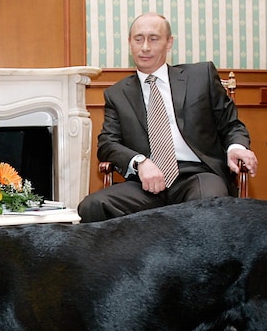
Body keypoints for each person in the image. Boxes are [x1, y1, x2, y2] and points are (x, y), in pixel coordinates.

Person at [78, 12, 258, 223]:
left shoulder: (200, 77)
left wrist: (236, 148)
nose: (145, 47)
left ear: (168, 42)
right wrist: (140, 162)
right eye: (138, 39)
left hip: (198, 175)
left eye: (153, 38)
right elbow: (107, 144)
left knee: (209, 204)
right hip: (145, 183)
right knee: (92, 207)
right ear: (130, 44)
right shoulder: (117, 94)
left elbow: (231, 125)